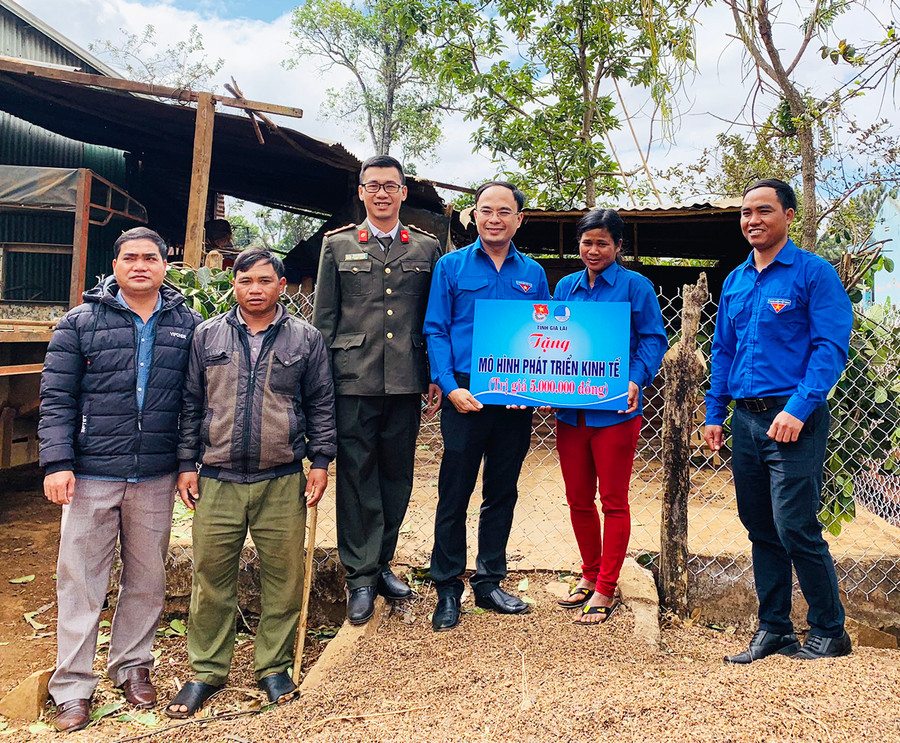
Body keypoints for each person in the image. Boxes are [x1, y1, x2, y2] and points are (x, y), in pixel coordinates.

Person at [39, 227, 200, 732]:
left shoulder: (188, 326)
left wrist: (186, 463)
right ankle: (73, 688)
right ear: (114, 266)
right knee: (81, 582)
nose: (139, 266)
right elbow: (57, 398)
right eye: (129, 258)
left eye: (150, 258)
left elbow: (192, 404)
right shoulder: (79, 323)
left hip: (153, 472)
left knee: (147, 579)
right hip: (90, 473)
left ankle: (132, 667)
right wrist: (56, 462)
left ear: (165, 266)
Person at [168, 247, 336, 717]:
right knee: (210, 578)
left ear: (281, 285)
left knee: (284, 578)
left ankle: (274, 668)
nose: (255, 290)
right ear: (234, 285)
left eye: (265, 281)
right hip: (216, 477)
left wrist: (320, 460)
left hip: (281, 477)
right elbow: (190, 404)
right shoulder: (207, 336)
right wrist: (186, 462)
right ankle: (205, 671)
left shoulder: (305, 339)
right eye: (246, 281)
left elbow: (322, 402)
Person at [704, 179, 854, 663]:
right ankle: (774, 629)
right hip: (745, 422)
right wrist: (714, 413)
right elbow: (724, 350)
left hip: (792, 419)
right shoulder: (736, 280)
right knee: (759, 526)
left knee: (795, 525)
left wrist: (799, 407)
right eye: (746, 212)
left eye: (764, 211)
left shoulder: (814, 274)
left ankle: (830, 630)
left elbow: (830, 348)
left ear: (789, 216)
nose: (752, 220)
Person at [312, 155, 443, 625]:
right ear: (362, 193)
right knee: (355, 477)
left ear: (404, 193)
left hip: (406, 378)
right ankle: (360, 577)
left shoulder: (428, 249)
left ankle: (381, 560)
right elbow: (324, 319)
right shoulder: (338, 245)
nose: (382, 193)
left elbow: (434, 319)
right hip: (352, 379)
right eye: (373, 186)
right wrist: (321, 380)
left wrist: (433, 372)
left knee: (397, 476)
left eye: (391, 186)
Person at [423, 181, 550, 632]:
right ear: (472, 216)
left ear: (519, 219)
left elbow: (542, 336)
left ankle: (489, 580)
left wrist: (533, 388)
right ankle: (447, 586)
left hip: (514, 402)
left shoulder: (533, 273)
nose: (493, 219)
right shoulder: (451, 266)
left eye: (503, 211)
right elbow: (435, 329)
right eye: (485, 211)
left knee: (502, 492)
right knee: (453, 493)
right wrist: (448, 384)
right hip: (464, 395)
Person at [553, 209, 667, 624]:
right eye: (587, 242)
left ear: (619, 246)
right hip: (570, 412)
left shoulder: (636, 287)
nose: (593, 250)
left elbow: (654, 339)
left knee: (613, 500)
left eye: (602, 243)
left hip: (617, 411)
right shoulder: (566, 286)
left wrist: (637, 378)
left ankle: (606, 585)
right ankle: (588, 574)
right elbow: (551, 343)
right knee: (578, 499)